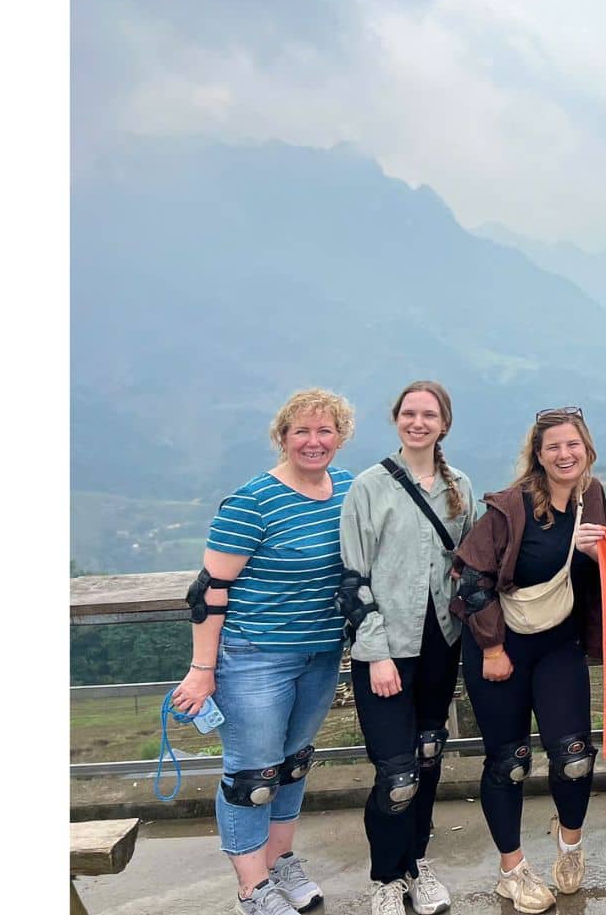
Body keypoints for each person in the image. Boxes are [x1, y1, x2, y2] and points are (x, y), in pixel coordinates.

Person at [170, 388, 357, 915]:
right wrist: (202, 669)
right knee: (253, 774)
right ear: (282, 438)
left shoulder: (347, 489)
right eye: (302, 431)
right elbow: (209, 590)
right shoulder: (252, 501)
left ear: (340, 438)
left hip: (320, 653)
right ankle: (251, 889)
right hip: (255, 656)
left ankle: (280, 863)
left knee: (292, 764)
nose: (314, 441)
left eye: (325, 431)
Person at [450, 407, 606, 914]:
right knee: (510, 762)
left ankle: (569, 848)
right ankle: (511, 870)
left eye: (573, 445)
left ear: (587, 449)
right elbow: (472, 582)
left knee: (574, 754)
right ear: (537, 456)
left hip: (559, 644)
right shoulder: (510, 508)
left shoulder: (594, 496)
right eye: (553, 447)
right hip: (502, 647)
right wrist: (493, 648)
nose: (565, 455)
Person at [338, 381, 478, 915]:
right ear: (396, 419)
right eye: (409, 413)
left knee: (427, 757)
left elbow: (469, 564)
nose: (418, 422)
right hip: (386, 648)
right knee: (396, 773)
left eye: (430, 414)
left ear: (444, 424)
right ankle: (385, 878)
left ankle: (417, 865)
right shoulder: (368, 488)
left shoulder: (458, 484)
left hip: (441, 643)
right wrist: (374, 654)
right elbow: (352, 578)